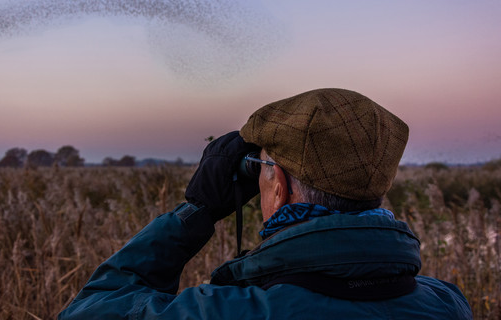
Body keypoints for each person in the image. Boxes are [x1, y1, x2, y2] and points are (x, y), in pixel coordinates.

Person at [59, 88, 472, 319]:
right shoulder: (446, 303)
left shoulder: (227, 313)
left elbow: (89, 310)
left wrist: (195, 212)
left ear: (279, 186)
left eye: (262, 168)